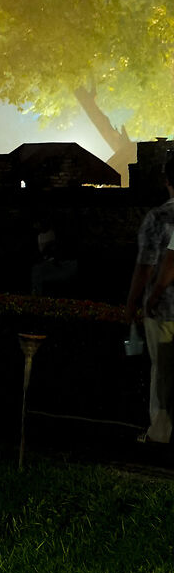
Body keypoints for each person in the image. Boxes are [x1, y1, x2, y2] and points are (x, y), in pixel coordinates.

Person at [126, 153, 174, 443]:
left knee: (163, 372)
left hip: (165, 308)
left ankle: (159, 433)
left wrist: (139, 302)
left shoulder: (158, 217)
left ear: (167, 182)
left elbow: (146, 268)